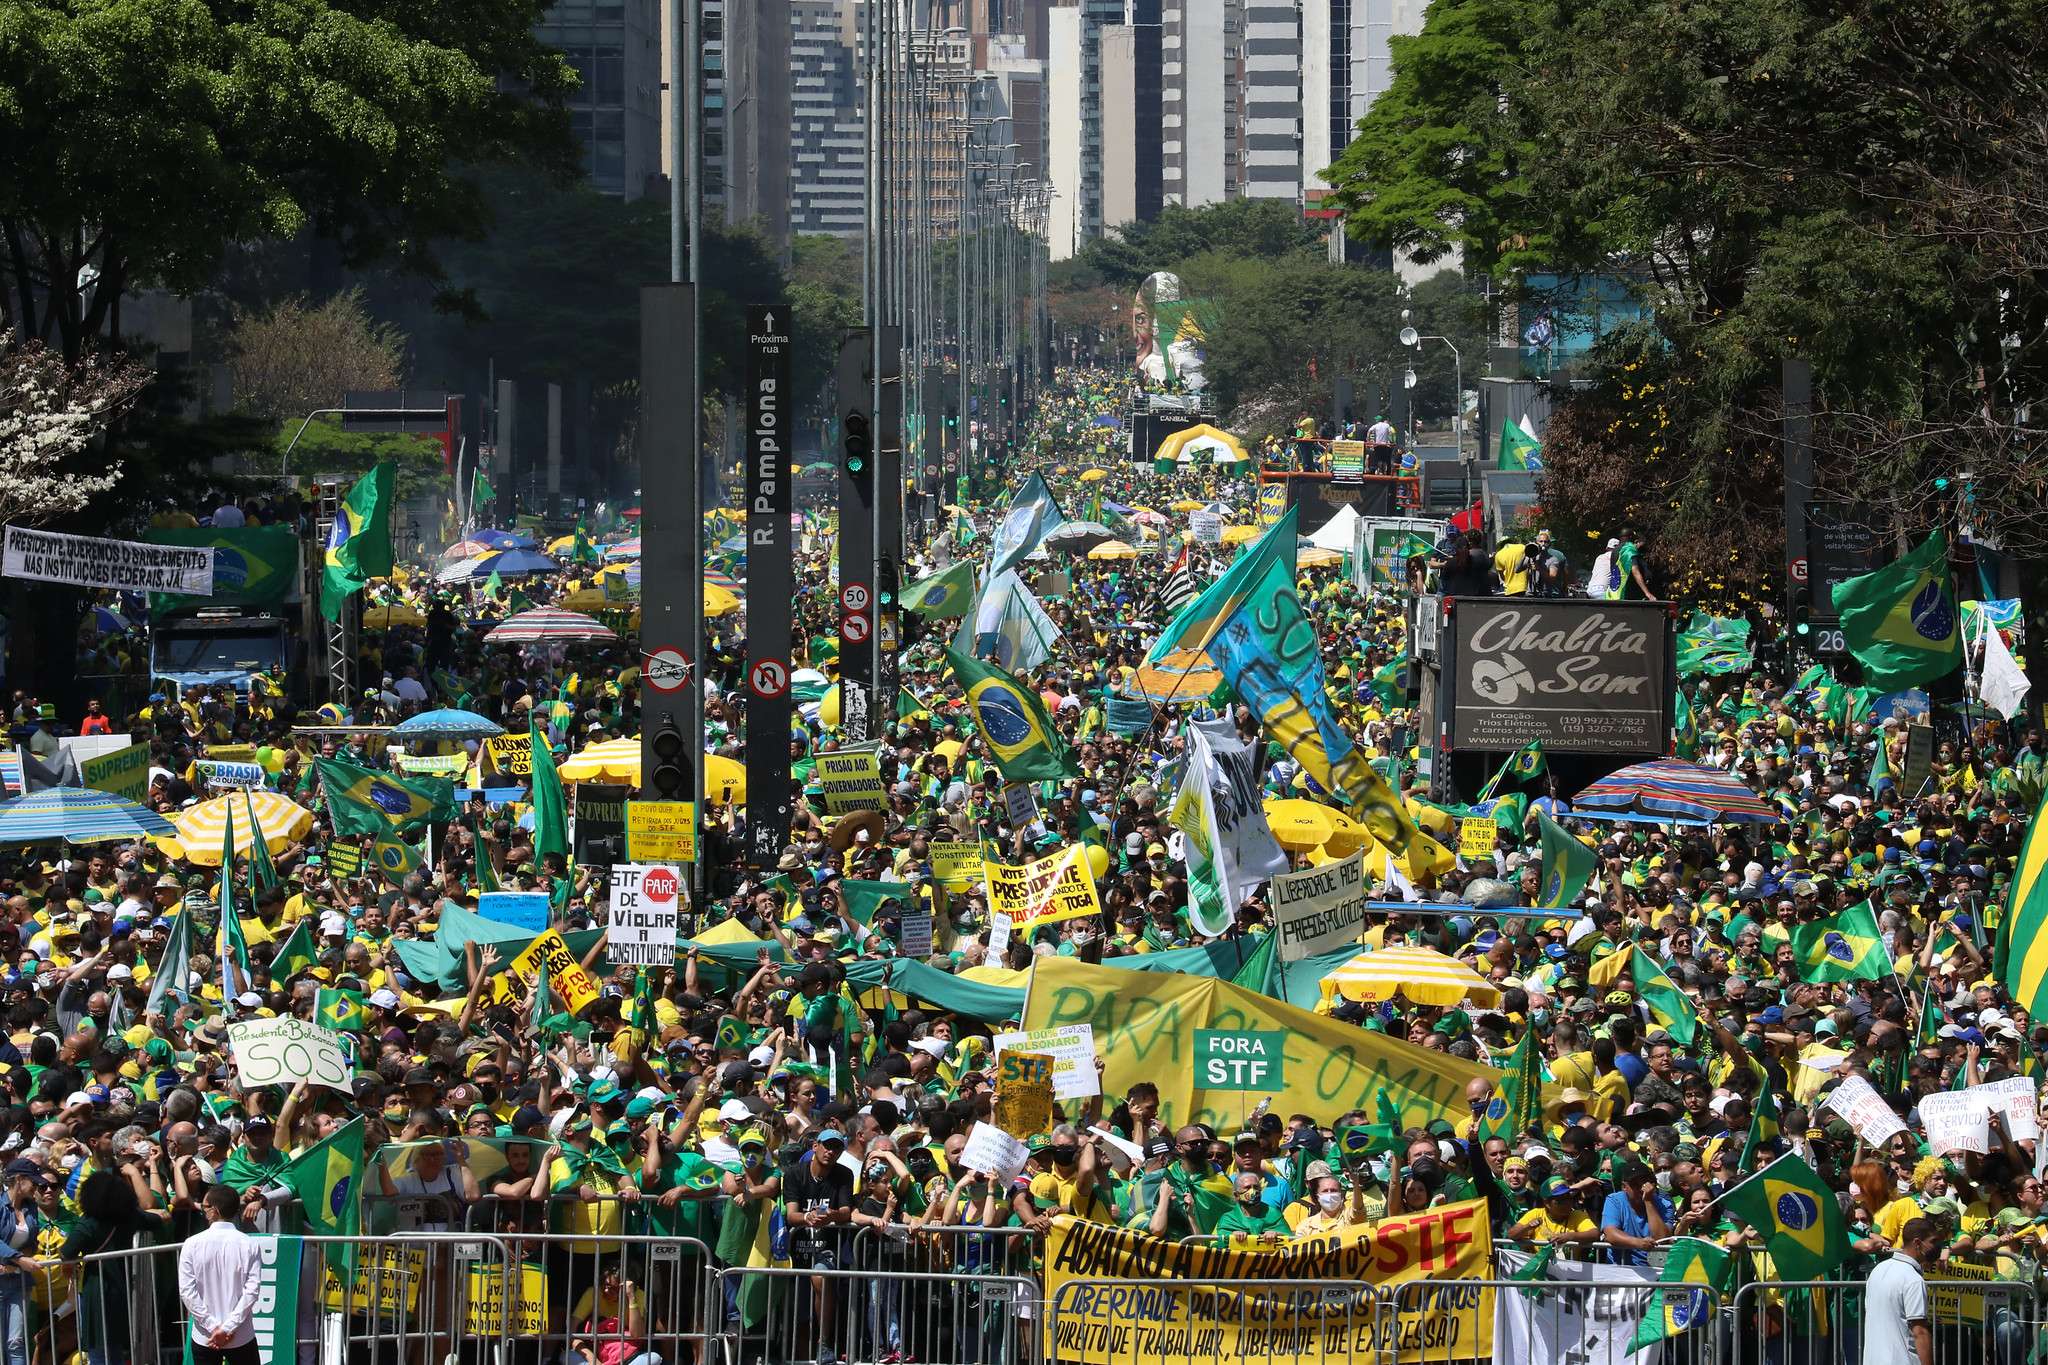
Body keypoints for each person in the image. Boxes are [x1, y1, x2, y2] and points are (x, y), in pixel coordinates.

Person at [177, 1186, 264, 1365]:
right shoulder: (249, 1244)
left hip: (205, 1336)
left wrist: (215, 1328)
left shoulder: (191, 1244)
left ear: (214, 1211)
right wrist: (227, 1328)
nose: (203, 1211)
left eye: (204, 1207)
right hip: (240, 1335)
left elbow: (187, 1292)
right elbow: (252, 1291)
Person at [1864, 1216, 1939, 1365]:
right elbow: (1920, 1332)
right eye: (1933, 1242)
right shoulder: (1913, 1280)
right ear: (1917, 1243)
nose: (1936, 1246)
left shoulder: (1878, 1270)